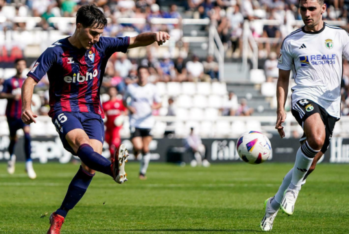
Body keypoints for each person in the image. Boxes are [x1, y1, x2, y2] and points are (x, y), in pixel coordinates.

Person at [21, 5, 170, 233]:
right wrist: (26, 106)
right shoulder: (55, 51)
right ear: (79, 26)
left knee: (90, 167)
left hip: (92, 112)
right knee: (84, 145)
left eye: (100, 33)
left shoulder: (102, 45)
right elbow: (31, 80)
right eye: (93, 33)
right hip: (64, 109)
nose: (96, 38)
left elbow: (134, 40)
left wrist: (155, 36)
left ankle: (59, 216)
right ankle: (112, 169)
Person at [260, 0, 349, 231]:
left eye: (311, 8)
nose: (307, 13)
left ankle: (273, 204)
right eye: (303, 9)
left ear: (323, 9)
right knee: (317, 139)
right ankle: (294, 190)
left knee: (309, 165)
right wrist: (280, 108)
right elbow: (282, 79)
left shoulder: (339, 36)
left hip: (330, 104)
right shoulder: (292, 41)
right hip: (303, 96)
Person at [123, 66, 162, 180]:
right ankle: (136, 150)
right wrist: (129, 108)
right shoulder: (131, 87)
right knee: (138, 146)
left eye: (144, 73)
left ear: (147, 75)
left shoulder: (153, 88)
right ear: (137, 74)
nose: (142, 75)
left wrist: (154, 107)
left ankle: (142, 172)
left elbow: (159, 103)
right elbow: (124, 101)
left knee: (145, 149)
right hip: (135, 122)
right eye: (140, 73)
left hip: (148, 122)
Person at [0, 58, 36, 179]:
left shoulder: (27, 81)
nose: (20, 67)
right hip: (11, 115)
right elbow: (1, 94)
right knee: (13, 139)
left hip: (24, 114)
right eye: (18, 64)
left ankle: (29, 163)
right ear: (15, 66)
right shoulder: (10, 81)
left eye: (23, 64)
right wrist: (12, 95)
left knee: (27, 135)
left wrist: (32, 101)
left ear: (25, 66)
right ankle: (11, 157)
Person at [102, 86, 127, 158]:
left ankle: (119, 158)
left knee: (114, 144)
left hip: (116, 127)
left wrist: (121, 118)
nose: (112, 92)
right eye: (110, 90)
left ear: (116, 91)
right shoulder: (105, 103)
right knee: (110, 145)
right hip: (108, 127)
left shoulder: (120, 102)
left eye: (113, 90)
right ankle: (113, 162)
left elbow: (125, 112)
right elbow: (103, 114)